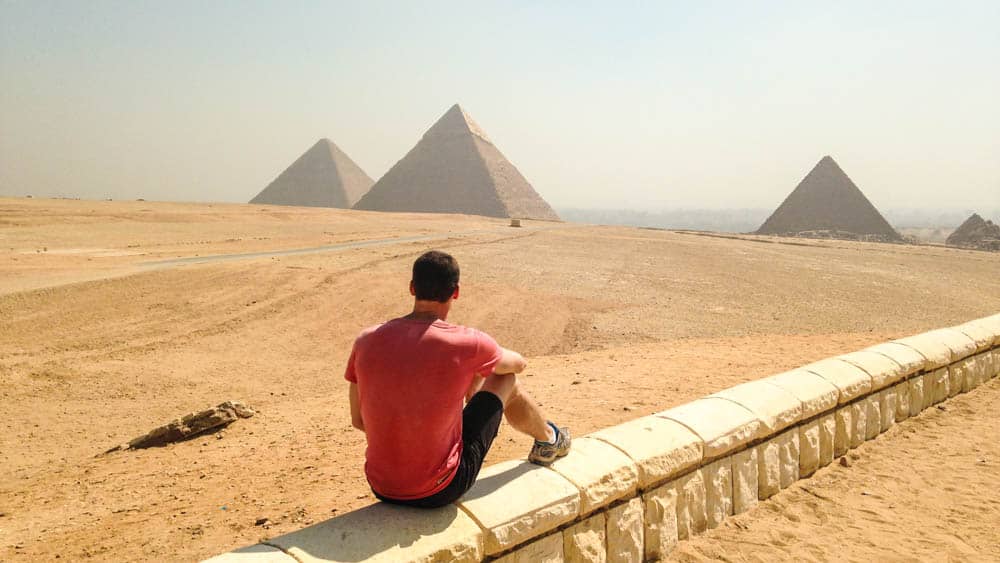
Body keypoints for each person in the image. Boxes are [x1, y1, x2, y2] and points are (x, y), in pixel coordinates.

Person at [344, 250, 571, 508]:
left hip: (381, 486)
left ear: (411, 288)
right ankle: (549, 440)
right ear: (456, 292)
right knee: (505, 379)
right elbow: (519, 364)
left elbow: (359, 421)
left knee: (473, 371)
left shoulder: (365, 341)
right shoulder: (466, 343)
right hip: (440, 489)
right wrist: (479, 363)